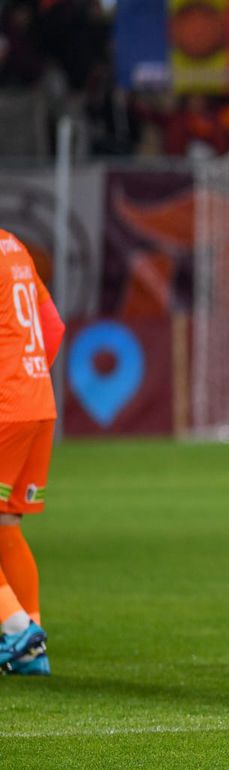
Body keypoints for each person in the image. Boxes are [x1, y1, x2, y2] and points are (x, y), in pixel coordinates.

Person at [0, 228, 65, 676]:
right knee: (5, 523)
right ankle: (30, 654)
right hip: (37, 401)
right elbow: (53, 326)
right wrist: (30, 378)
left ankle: (16, 627)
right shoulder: (13, 245)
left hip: (4, 404)